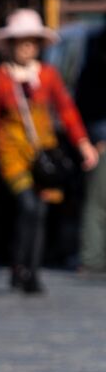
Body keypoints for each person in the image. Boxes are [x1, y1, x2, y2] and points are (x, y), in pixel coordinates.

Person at [0, 9, 97, 294]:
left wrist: (83, 144)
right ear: (12, 44)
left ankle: (32, 269)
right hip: (11, 151)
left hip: (43, 152)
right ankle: (20, 264)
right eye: (22, 41)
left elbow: (67, 111)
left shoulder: (48, 76)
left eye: (32, 41)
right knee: (27, 205)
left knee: (40, 212)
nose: (28, 47)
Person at [74, 31, 106, 273]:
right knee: (97, 202)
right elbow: (86, 104)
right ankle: (93, 257)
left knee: (97, 203)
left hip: (99, 137)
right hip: (101, 140)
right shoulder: (96, 67)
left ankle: (92, 257)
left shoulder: (93, 61)